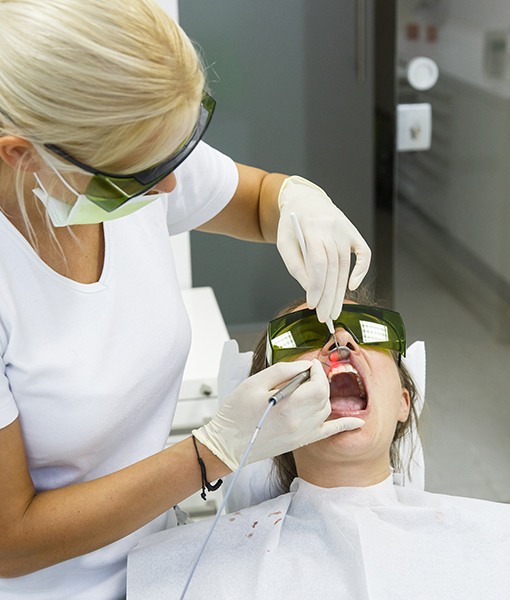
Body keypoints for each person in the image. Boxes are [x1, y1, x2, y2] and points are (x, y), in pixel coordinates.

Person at [0, 1, 373, 598]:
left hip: (161, 562)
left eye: (178, 150)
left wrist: (298, 200)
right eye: (144, 173)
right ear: (22, 155)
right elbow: (10, 543)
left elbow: (255, 199)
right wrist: (213, 452)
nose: (171, 186)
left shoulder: (127, 154)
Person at [127, 294, 510, 600]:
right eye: (305, 335)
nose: (340, 340)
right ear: (271, 405)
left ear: (403, 403)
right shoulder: (186, 567)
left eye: (367, 331)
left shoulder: (496, 542)